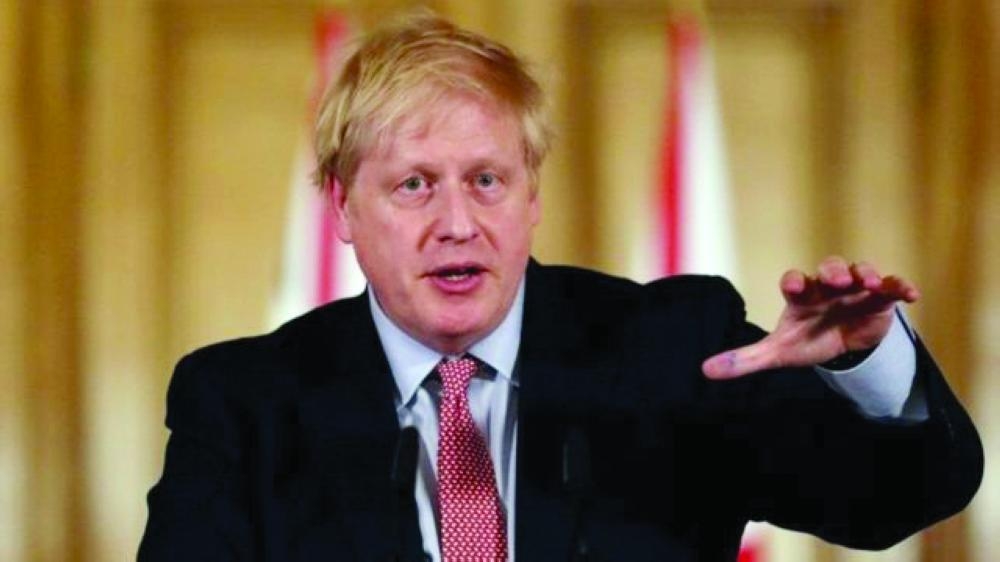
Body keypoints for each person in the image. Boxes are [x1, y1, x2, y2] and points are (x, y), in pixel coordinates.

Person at [138, 12, 982, 562]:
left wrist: (866, 363)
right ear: (342, 208)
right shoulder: (244, 403)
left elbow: (893, 500)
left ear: (532, 195)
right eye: (414, 185)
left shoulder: (671, 350)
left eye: (487, 181)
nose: (458, 223)